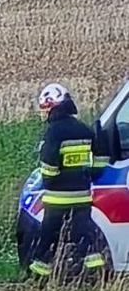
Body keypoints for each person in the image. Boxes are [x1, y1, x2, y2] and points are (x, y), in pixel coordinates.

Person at [29, 83, 106, 279]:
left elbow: (49, 166)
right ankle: (96, 276)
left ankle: (39, 281)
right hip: (82, 197)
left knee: (48, 240)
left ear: (53, 107)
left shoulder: (53, 132)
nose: (43, 113)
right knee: (86, 237)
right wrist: (91, 174)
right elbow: (101, 155)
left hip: (57, 199)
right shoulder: (84, 129)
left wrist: (49, 181)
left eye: (45, 108)